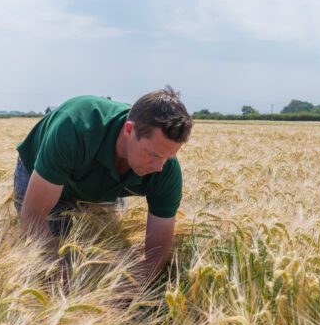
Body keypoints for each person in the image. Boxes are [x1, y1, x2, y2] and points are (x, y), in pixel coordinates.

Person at [13, 86, 193, 287]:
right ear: (129, 130)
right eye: (153, 154)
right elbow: (34, 215)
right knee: (48, 256)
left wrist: (121, 292)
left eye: (169, 157)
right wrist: (57, 275)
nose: (159, 167)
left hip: (99, 182)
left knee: (103, 249)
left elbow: (157, 252)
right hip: (41, 174)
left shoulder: (166, 169)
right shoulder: (74, 128)